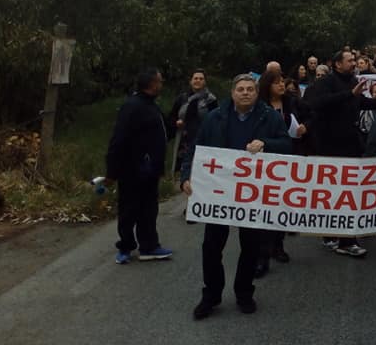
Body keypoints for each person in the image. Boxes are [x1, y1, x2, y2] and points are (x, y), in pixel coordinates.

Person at [181, 74, 291, 319]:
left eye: (250, 89)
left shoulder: (269, 117)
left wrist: (266, 144)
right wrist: (185, 177)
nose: (245, 93)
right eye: (240, 89)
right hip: (219, 192)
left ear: (256, 92)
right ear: (232, 93)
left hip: (253, 193)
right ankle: (211, 295)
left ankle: (244, 293)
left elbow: (287, 145)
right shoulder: (215, 117)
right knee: (211, 247)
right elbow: (196, 150)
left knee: (250, 246)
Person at [308, 49, 376, 257]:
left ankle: (347, 239)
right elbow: (319, 103)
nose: (354, 64)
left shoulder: (352, 81)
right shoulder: (326, 83)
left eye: (354, 61)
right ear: (337, 64)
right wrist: (349, 94)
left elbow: (360, 102)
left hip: (350, 144)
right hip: (330, 145)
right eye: (349, 61)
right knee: (331, 192)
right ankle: (331, 235)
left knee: (349, 192)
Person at [105, 67, 173, 265]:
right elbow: (118, 140)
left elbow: (160, 133)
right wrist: (112, 171)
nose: (162, 84)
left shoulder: (151, 105)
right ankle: (125, 246)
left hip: (149, 171)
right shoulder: (132, 106)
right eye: (160, 81)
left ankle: (149, 246)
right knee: (128, 209)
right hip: (132, 170)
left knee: (148, 209)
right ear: (151, 84)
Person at [253, 71, 307, 276]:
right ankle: (262, 256)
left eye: (282, 82)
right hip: (264, 162)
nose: (282, 86)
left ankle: (278, 245)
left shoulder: (291, 102)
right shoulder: (259, 107)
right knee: (265, 207)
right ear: (267, 86)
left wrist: (305, 126)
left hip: (289, 157)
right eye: (276, 83)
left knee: (282, 204)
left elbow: (311, 114)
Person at [170, 69, 218, 174]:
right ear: (191, 81)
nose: (198, 81)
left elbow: (216, 121)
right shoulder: (182, 98)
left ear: (205, 82)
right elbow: (172, 116)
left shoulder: (211, 100)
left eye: (201, 79)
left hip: (202, 138)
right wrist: (176, 122)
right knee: (181, 170)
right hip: (183, 140)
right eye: (195, 78)